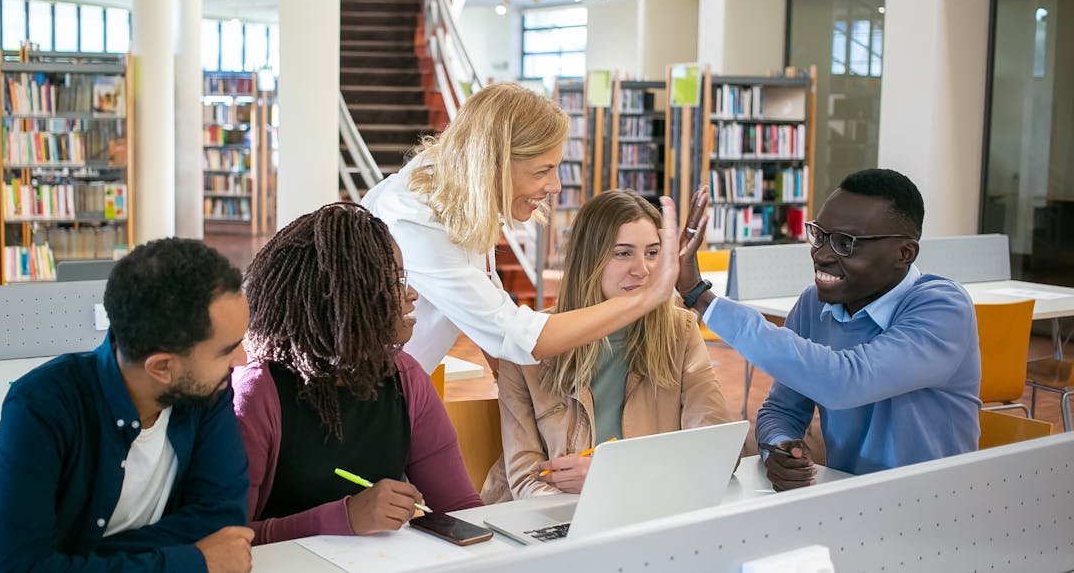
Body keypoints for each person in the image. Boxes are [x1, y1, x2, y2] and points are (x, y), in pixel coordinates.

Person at [676, 169, 980, 490]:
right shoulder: (814, 305)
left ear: (904, 253)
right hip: (846, 499)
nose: (820, 255)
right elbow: (782, 409)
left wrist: (702, 297)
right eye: (819, 235)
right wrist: (780, 448)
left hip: (935, 508)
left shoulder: (943, 308)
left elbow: (844, 380)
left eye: (844, 243)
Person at [362, 82, 695, 374]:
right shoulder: (416, 223)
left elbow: (489, 311)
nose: (555, 186)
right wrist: (648, 297)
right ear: (491, 166)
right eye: (542, 171)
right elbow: (513, 335)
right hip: (362, 394)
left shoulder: (455, 185)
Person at [0, 238, 254, 572]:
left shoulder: (207, 391)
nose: (241, 360)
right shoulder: (41, 406)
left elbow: (222, 520)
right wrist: (189, 560)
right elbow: (16, 567)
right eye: (227, 349)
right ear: (161, 368)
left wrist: (80, 561)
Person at [232, 203, 483, 545]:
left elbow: (461, 510)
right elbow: (226, 541)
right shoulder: (258, 395)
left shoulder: (406, 378)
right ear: (341, 296)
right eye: (394, 280)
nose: (412, 295)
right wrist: (345, 517)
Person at [482, 190, 733, 502]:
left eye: (653, 253)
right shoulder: (526, 342)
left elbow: (717, 450)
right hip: (550, 516)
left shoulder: (679, 332)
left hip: (643, 507)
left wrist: (611, 477)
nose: (642, 270)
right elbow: (524, 479)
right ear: (589, 260)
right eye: (623, 253)